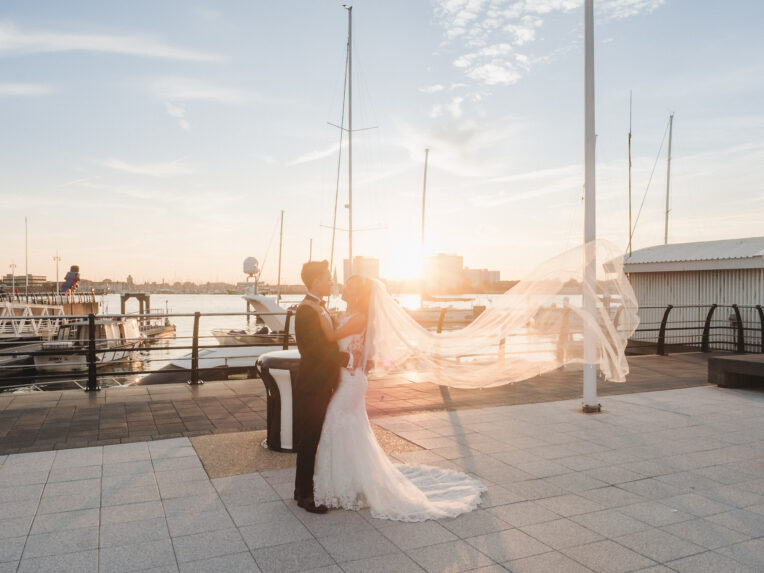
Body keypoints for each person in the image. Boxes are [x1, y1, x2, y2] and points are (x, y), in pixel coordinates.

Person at [313, 275, 486, 521]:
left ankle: (345, 486)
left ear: (359, 293)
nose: (343, 289)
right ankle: (349, 483)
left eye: (349, 287)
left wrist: (318, 316)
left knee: (337, 423)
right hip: (345, 377)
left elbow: (331, 339)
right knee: (349, 429)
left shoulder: (360, 317)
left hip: (351, 380)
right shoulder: (349, 314)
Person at [292, 260, 365, 514]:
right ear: (315, 282)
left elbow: (328, 341)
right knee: (309, 438)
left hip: (323, 382)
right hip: (312, 384)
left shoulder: (317, 307)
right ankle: (304, 495)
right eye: (327, 278)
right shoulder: (306, 310)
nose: (332, 282)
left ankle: (301, 489)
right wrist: (344, 359)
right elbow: (313, 351)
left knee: (313, 437)